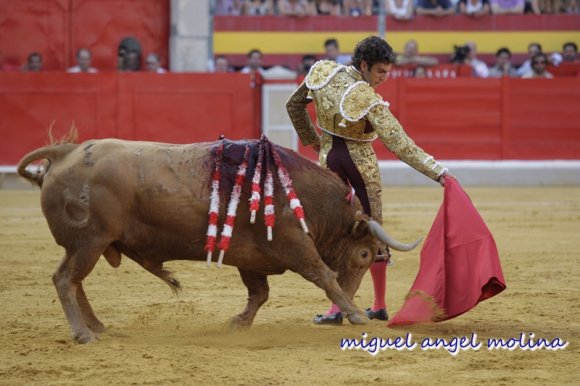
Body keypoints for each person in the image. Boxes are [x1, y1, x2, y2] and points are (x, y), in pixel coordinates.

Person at [286, 35, 448, 325]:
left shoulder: (323, 71)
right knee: (372, 231)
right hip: (360, 164)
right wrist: (438, 172)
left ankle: (346, 309)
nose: (384, 79)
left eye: (387, 72)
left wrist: (313, 141)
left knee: (336, 235)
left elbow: (294, 106)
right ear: (364, 65)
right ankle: (375, 304)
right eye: (380, 72)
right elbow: (401, 144)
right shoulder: (368, 99)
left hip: (328, 163)